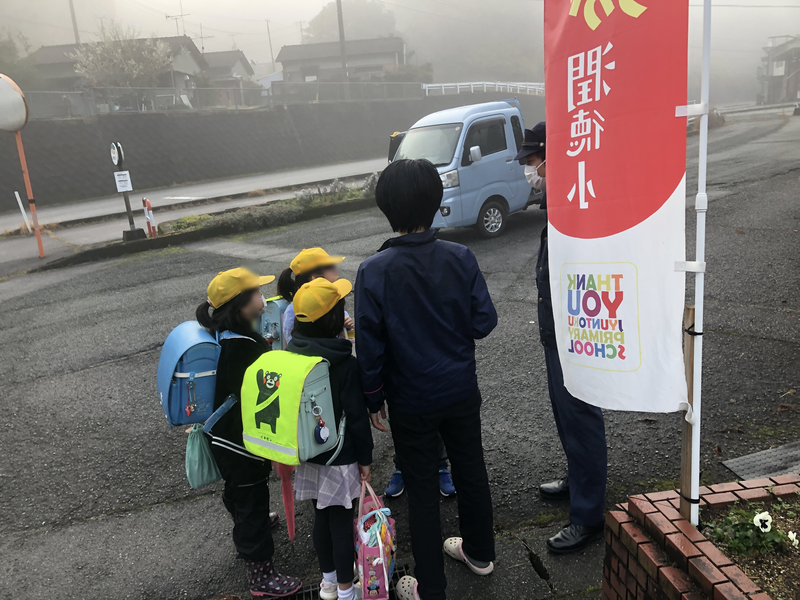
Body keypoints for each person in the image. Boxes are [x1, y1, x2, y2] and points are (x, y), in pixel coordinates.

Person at [355, 159, 498, 600]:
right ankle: (480, 555)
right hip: (460, 389)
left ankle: (430, 588)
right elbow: (484, 322)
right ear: (435, 203)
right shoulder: (460, 256)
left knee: (420, 489)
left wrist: (373, 396)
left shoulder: (373, 271)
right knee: (470, 469)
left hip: (411, 399)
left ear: (386, 208)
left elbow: (370, 346)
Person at [515, 123, 608, 554]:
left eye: (534, 162)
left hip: (576, 332)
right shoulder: (556, 204)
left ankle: (588, 516)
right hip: (557, 330)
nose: (530, 172)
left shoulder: (577, 205)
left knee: (581, 415)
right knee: (565, 413)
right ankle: (577, 479)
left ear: (555, 159)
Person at [196, 267, 302, 597]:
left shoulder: (226, 335)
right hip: (239, 443)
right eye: (256, 293)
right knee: (252, 500)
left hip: (222, 435)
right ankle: (261, 576)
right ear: (240, 305)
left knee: (240, 492)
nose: (263, 298)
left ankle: (244, 514)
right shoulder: (244, 347)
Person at [287, 277, 373, 600]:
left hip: (309, 456)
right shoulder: (345, 364)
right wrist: (365, 459)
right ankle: (347, 590)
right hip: (340, 458)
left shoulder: (292, 356)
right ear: (335, 319)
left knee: (320, 519)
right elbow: (358, 419)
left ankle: (328, 584)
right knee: (341, 525)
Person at [277, 248, 353, 346]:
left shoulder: (330, 298)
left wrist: (345, 325)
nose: (335, 269)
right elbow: (294, 344)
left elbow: (345, 322)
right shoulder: (294, 310)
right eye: (330, 266)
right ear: (316, 278)